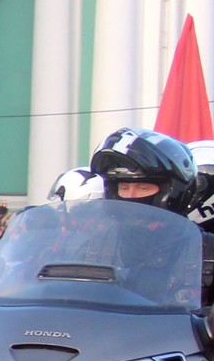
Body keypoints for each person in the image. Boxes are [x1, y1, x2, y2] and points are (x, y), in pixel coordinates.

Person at [89, 126, 214, 301]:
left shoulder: (206, 252)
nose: (131, 197)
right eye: (124, 188)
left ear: (171, 192)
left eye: (143, 188)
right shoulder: (95, 245)